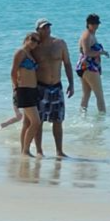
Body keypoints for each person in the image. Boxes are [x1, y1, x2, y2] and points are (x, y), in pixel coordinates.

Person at [32, 20, 75, 158]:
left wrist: (71, 84)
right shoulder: (34, 47)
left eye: (48, 27)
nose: (47, 29)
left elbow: (67, 64)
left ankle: (59, 151)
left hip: (56, 86)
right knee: (39, 121)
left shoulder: (60, 43)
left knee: (58, 120)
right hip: (40, 87)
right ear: (38, 30)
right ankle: (39, 150)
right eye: (44, 28)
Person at [12, 32, 42, 156]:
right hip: (23, 90)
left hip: (32, 90)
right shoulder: (20, 52)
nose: (35, 43)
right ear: (26, 39)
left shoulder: (30, 54)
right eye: (33, 39)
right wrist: (16, 88)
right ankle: (26, 150)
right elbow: (13, 72)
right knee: (36, 122)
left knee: (27, 122)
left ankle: (24, 150)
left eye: (37, 41)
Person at [76, 14, 108, 114]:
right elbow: (87, 53)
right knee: (99, 95)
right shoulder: (87, 35)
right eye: (93, 24)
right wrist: (102, 52)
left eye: (97, 23)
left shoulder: (92, 34)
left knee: (86, 94)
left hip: (86, 67)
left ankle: (82, 116)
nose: (96, 26)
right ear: (88, 24)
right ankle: (103, 118)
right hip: (88, 67)